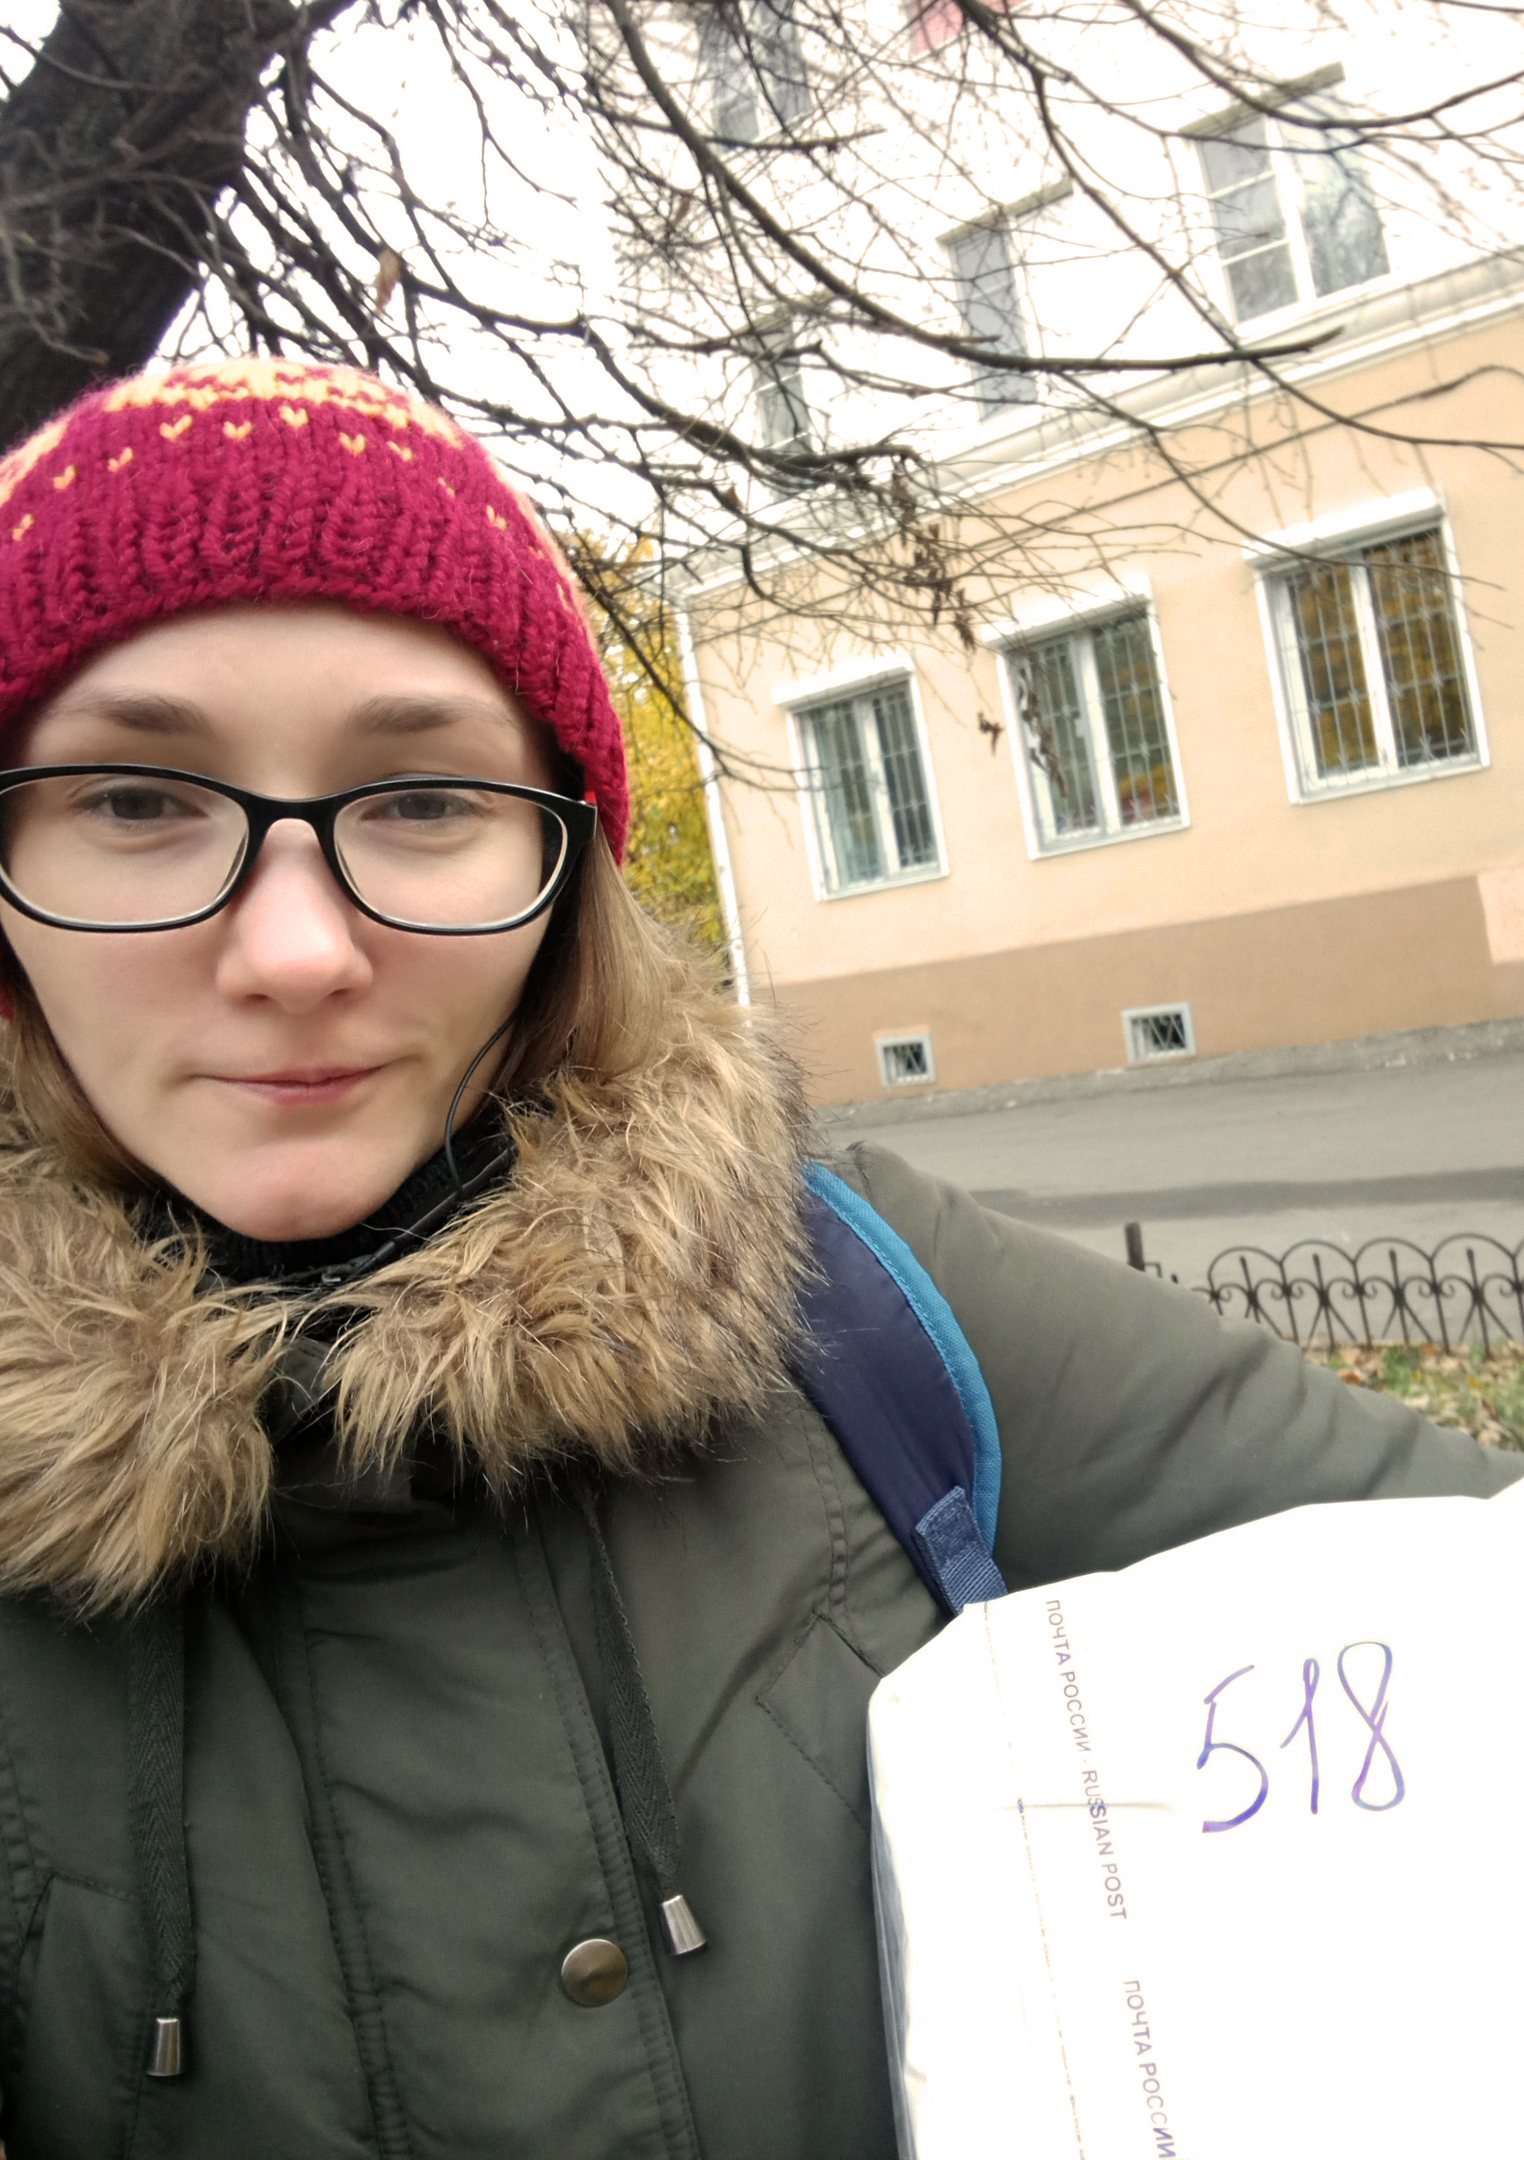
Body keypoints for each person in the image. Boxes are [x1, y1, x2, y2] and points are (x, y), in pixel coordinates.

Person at [0, 356, 1513, 2160]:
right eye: (137, 802)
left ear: (561, 871)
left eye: (419, 801)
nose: (301, 948)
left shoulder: (846, 1298)